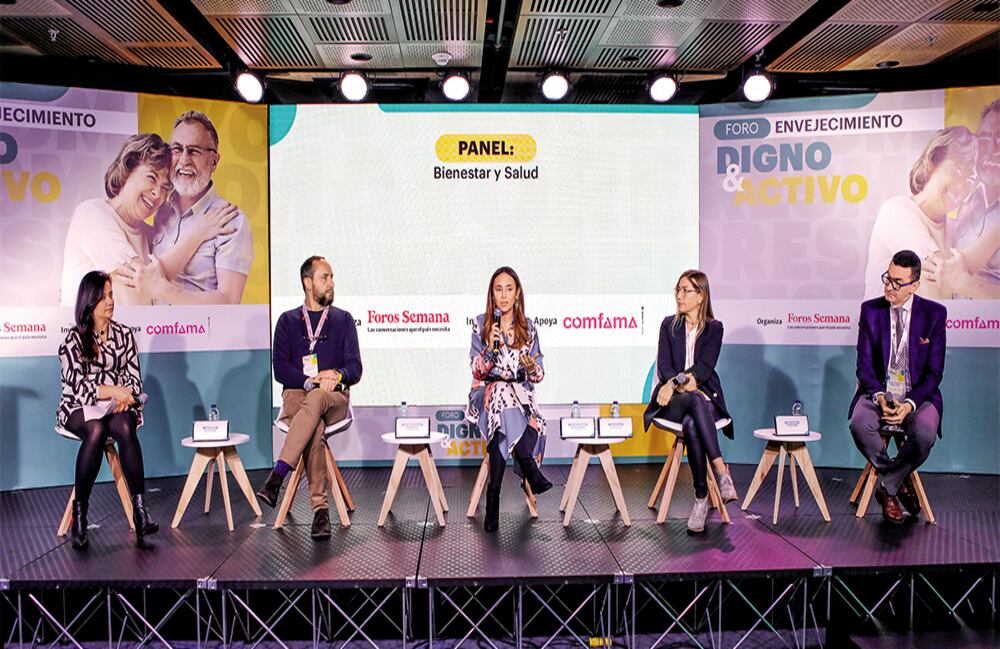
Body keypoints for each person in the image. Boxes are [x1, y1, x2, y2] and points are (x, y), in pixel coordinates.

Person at [256, 256, 362, 540]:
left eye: (331, 277)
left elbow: (355, 368)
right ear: (308, 282)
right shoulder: (288, 321)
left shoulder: (343, 320)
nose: (331, 283)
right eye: (325, 277)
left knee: (316, 400)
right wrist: (308, 381)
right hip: (296, 396)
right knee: (313, 426)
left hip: (333, 399)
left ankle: (278, 475)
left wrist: (336, 376)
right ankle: (320, 511)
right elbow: (280, 369)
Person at [57, 271, 158, 549]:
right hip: (78, 408)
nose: (110, 301)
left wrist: (127, 397)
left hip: (116, 407)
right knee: (97, 429)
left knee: (124, 426)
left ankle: (141, 513)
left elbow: (135, 381)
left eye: (111, 295)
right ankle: (80, 516)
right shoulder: (72, 342)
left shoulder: (125, 335)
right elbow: (79, 388)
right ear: (89, 302)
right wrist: (114, 390)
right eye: (103, 297)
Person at [849, 250, 946, 524]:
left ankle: (888, 486)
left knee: (925, 433)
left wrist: (908, 405)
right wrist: (880, 398)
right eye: (887, 278)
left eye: (897, 282)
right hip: (879, 392)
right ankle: (898, 481)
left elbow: (934, 373)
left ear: (914, 285)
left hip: (917, 397)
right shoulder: (871, 311)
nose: (889, 286)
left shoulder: (934, 314)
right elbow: (864, 367)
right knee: (859, 424)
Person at [123, 110, 253, 305]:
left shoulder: (231, 220)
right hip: (155, 332)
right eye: (177, 149)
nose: (184, 160)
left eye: (194, 151)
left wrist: (163, 289)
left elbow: (228, 302)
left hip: (204, 334)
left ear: (214, 161)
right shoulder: (161, 209)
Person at [643, 270, 737, 534]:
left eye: (686, 291)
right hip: (671, 402)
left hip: (701, 401)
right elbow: (664, 365)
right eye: (678, 290)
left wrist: (679, 382)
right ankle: (721, 470)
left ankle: (700, 498)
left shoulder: (714, 329)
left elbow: (704, 370)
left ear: (701, 296)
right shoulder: (668, 325)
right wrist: (674, 384)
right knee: (693, 399)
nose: (680, 295)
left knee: (693, 423)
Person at [466, 266, 552, 533]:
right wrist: (490, 352)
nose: (503, 295)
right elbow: (477, 371)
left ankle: (494, 497)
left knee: (506, 424)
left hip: (522, 398)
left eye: (509, 289)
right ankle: (528, 466)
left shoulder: (529, 328)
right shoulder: (482, 324)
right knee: (501, 393)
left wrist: (529, 366)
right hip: (488, 395)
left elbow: (538, 375)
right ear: (492, 295)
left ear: (517, 295)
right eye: (498, 289)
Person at [863, 127, 980, 299]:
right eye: (957, 172)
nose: (961, 188)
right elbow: (943, 270)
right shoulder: (896, 211)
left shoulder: (955, 230)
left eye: (969, 181)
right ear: (934, 161)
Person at [60, 133, 173, 306]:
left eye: (165, 188)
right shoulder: (91, 214)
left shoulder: (148, 234)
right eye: (151, 178)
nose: (157, 194)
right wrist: (202, 231)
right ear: (127, 170)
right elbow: (143, 277)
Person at [940, 99, 1000, 298]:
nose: (992, 149)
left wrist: (969, 285)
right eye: (984, 139)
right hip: (957, 325)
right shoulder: (964, 201)